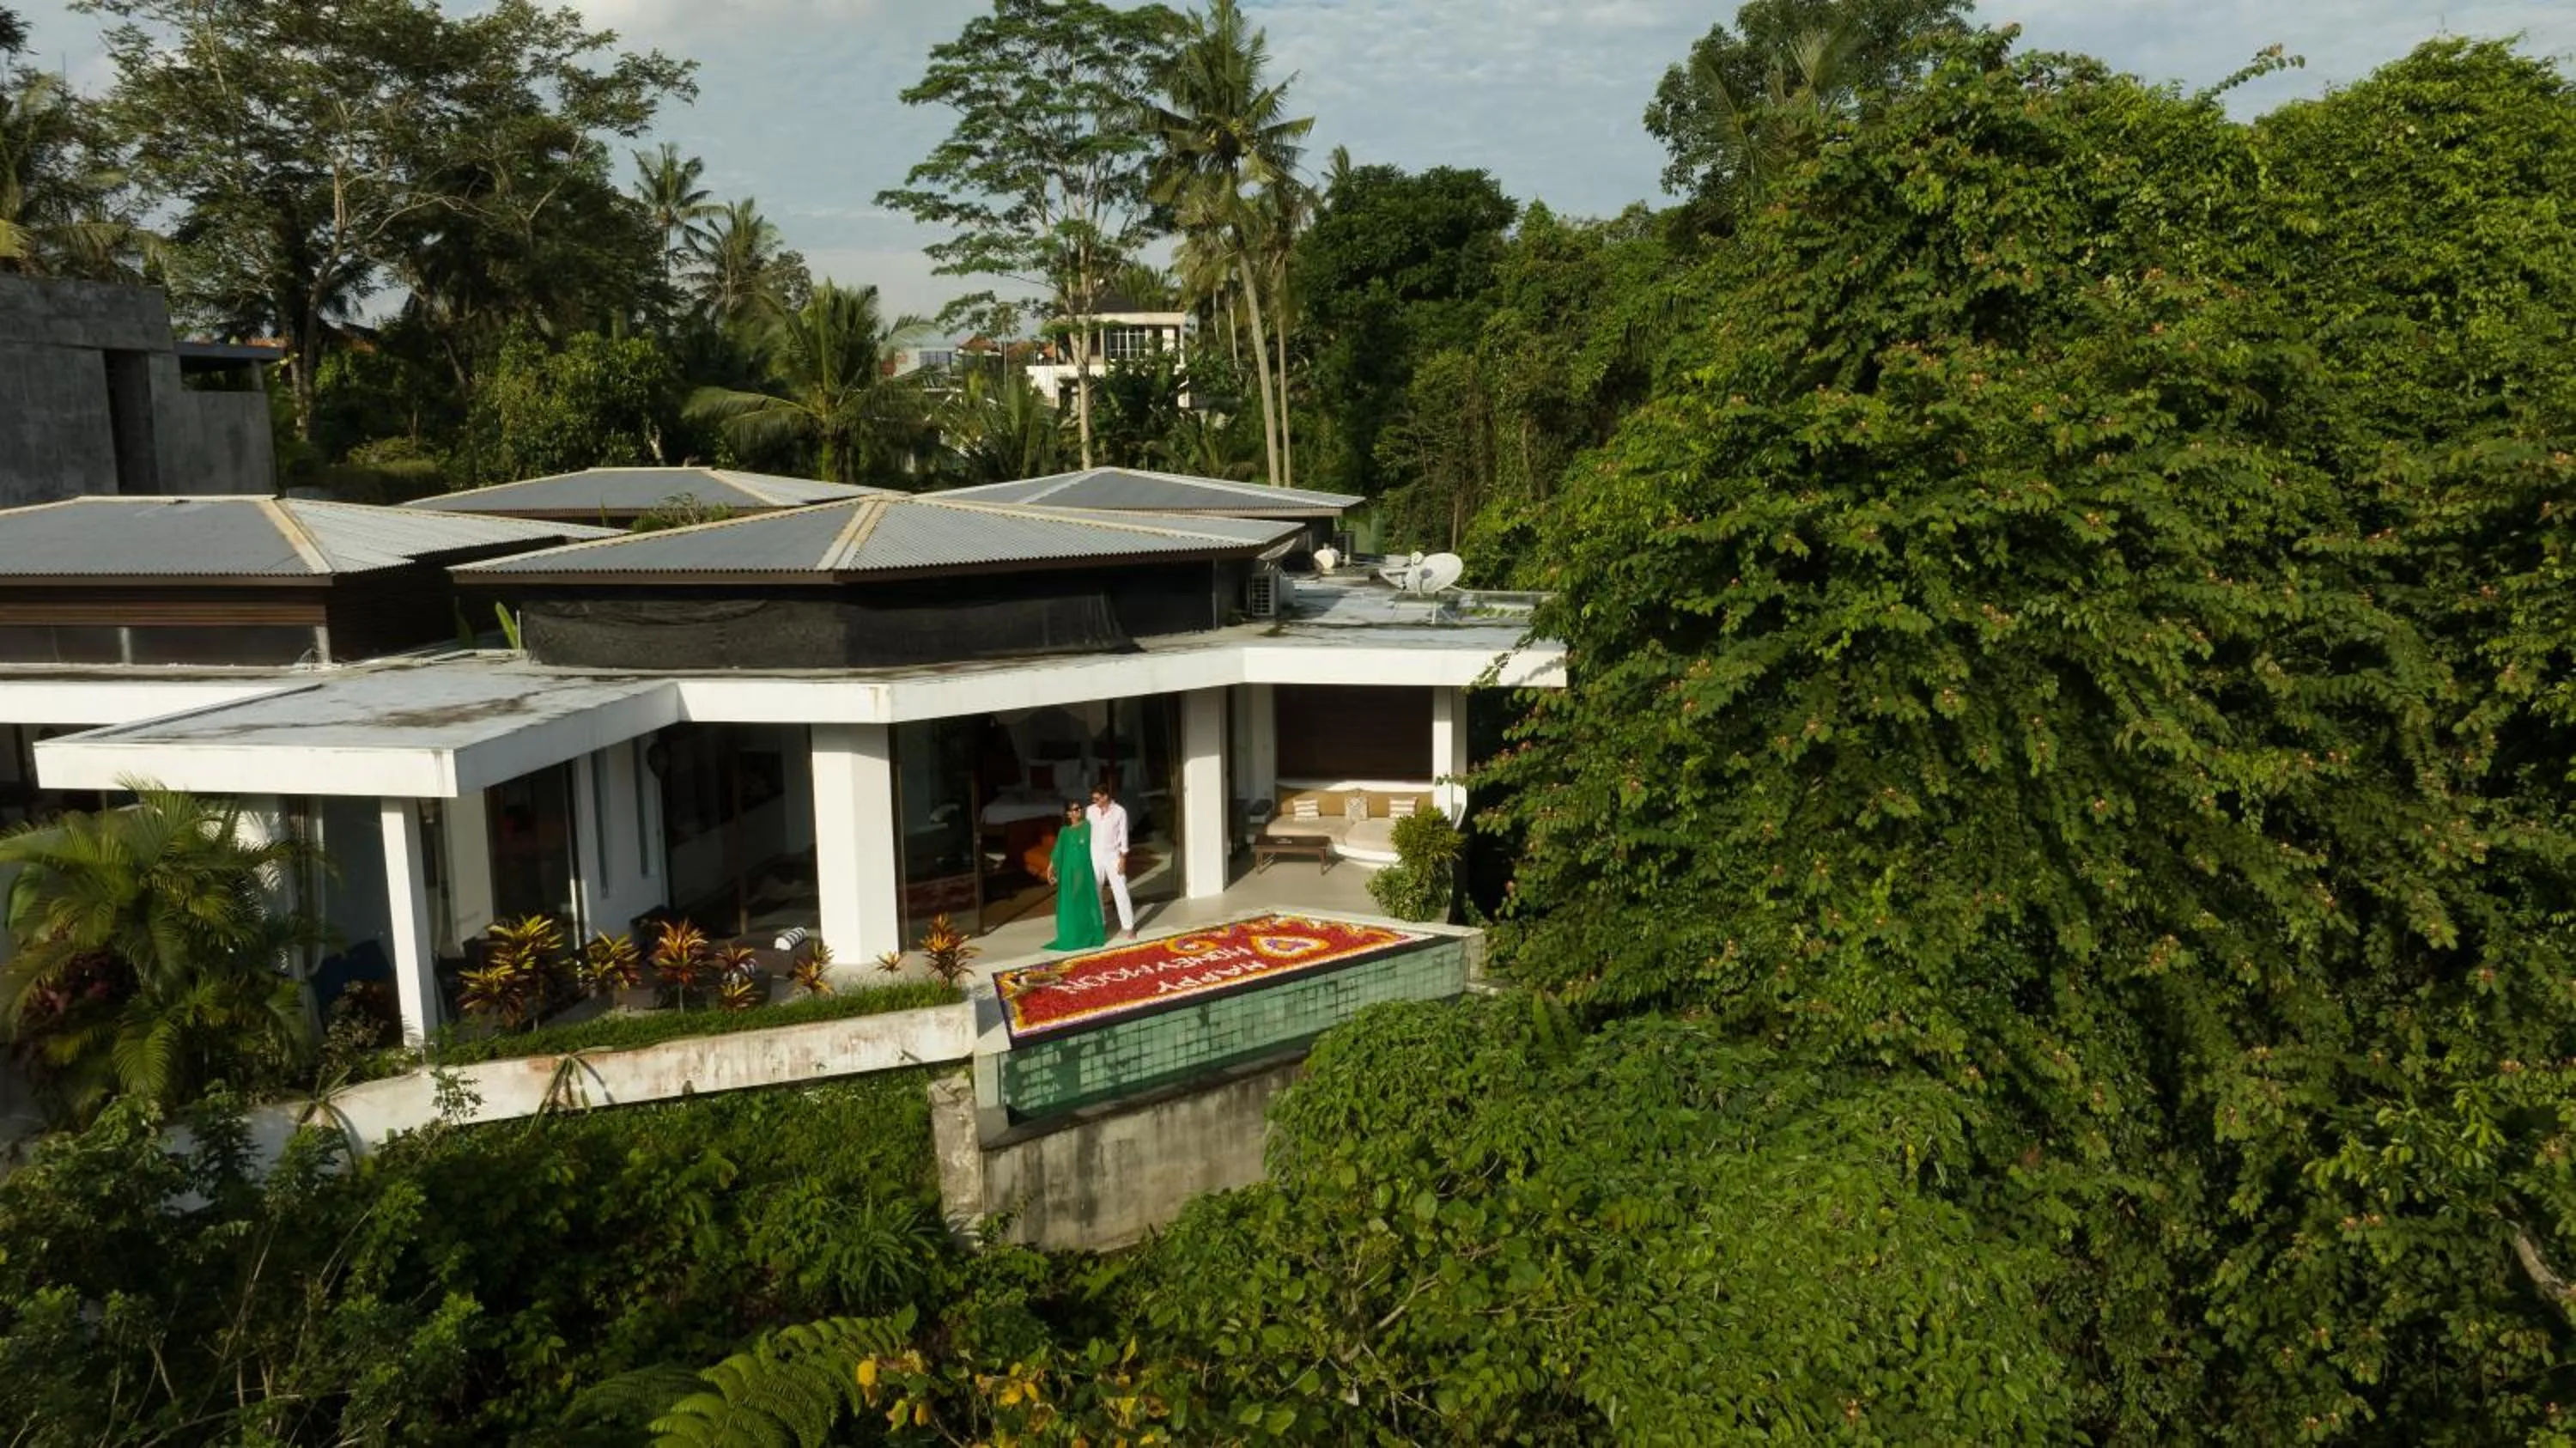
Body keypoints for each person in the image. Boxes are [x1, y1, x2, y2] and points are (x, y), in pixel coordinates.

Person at [1042, 800, 1108, 951]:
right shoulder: (1064, 832)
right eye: (1075, 809)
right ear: (1068, 814)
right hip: (1069, 873)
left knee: (1085, 902)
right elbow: (1058, 851)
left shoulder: (1088, 826)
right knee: (1072, 903)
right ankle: (1073, 936)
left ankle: (1088, 935)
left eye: (1079, 808)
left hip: (1085, 871)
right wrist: (1050, 868)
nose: (1078, 811)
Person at [1088, 782, 1136, 939]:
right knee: (1094, 890)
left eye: (1097, 799)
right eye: (1093, 799)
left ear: (1105, 797)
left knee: (1121, 889)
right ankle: (1099, 925)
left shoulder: (1120, 812)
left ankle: (1129, 926)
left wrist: (1123, 859)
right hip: (1094, 854)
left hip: (1113, 855)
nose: (1094, 802)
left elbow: (1123, 837)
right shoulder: (1090, 811)